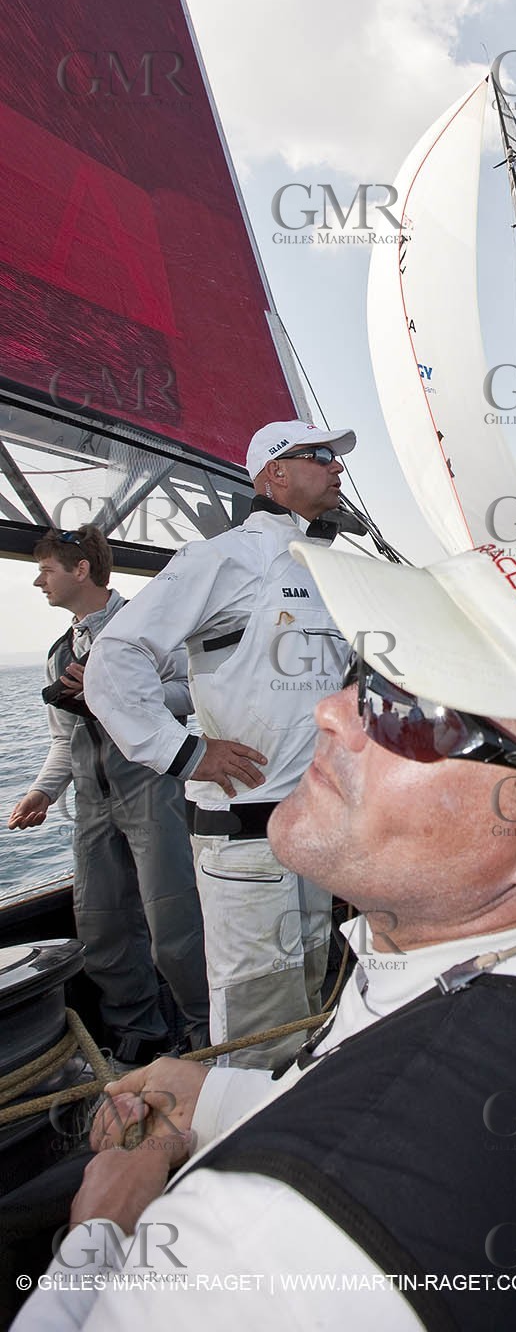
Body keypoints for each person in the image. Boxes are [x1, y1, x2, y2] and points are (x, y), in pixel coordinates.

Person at [15, 540, 516, 1332]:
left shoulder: (257, 1244)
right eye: (361, 675)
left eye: (412, 713)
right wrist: (224, 1096)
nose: (329, 712)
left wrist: (104, 1226)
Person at [83, 420, 356, 1069]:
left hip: (315, 830)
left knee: (311, 992)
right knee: (260, 1024)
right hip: (245, 839)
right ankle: (246, 1139)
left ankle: (296, 1130)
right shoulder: (224, 558)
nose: (337, 469)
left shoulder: (329, 571)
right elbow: (115, 657)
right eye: (320, 457)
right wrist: (185, 753)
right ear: (275, 474)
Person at [7, 526, 208, 1064]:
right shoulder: (58, 653)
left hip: (153, 792)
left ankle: (205, 1033)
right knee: (101, 923)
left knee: (176, 926)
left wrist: (109, 691)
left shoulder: (145, 629)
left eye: (47, 569)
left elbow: (193, 693)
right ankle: (138, 1032)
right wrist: (42, 793)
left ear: (81, 570)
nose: (37, 581)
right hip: (93, 804)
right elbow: (63, 737)